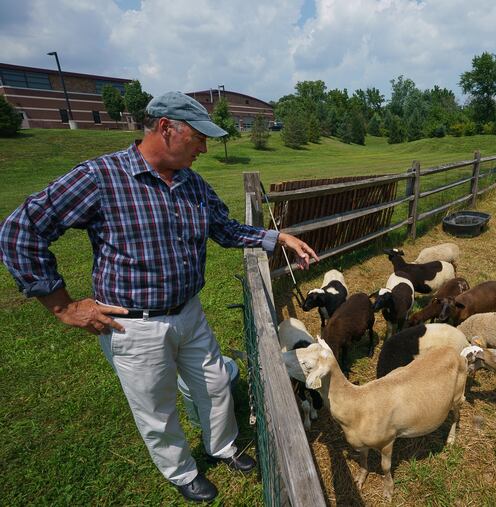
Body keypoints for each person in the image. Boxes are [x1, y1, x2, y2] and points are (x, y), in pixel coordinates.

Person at [0, 91, 318, 503]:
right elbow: (20, 230)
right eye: (198, 137)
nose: (205, 146)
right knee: (156, 407)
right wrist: (61, 305)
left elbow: (224, 229)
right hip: (133, 325)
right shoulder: (101, 177)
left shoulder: (192, 182)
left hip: (190, 312)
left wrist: (277, 237)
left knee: (217, 384)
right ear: (167, 128)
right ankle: (181, 472)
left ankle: (221, 446)